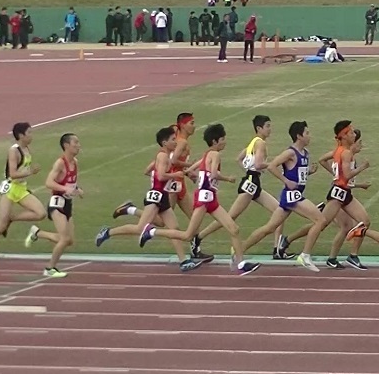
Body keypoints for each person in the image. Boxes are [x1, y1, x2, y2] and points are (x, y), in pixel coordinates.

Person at [144, 124, 260, 275]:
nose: (225, 142)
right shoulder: (215, 154)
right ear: (215, 141)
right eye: (223, 139)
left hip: (211, 199)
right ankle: (152, 232)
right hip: (204, 199)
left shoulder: (207, 154)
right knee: (188, 235)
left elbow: (194, 167)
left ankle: (240, 264)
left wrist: (192, 173)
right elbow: (213, 174)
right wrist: (228, 178)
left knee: (234, 229)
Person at [97, 126, 199, 272]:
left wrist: (177, 174)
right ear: (164, 143)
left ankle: (184, 261)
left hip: (162, 195)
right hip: (156, 195)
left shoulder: (164, 156)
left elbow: (148, 171)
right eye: (172, 139)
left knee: (172, 227)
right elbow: (161, 176)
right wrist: (173, 176)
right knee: (140, 228)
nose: (175, 142)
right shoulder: (162, 156)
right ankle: (107, 232)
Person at [192, 115, 285, 258]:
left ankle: (277, 249)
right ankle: (198, 238)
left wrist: (249, 170)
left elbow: (239, 159)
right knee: (230, 217)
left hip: (253, 182)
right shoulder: (260, 143)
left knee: (279, 211)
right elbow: (258, 164)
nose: (270, 129)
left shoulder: (253, 142)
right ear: (259, 128)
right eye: (267, 126)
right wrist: (275, 163)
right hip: (250, 184)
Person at [294, 121, 373, 272]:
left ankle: (352, 256)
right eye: (351, 133)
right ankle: (305, 254)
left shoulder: (339, 150)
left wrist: (336, 174)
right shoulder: (346, 153)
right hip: (338, 194)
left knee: (365, 221)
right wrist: (362, 167)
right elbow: (347, 175)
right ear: (344, 136)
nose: (354, 135)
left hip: (344, 193)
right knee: (321, 223)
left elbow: (326, 162)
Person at [241, 121, 325, 259]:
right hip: (292, 195)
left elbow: (296, 174)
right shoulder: (290, 152)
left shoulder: (305, 153)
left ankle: (239, 250)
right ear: (299, 136)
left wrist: (309, 172)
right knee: (320, 220)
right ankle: (305, 255)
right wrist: (286, 181)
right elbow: (272, 166)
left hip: (293, 194)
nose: (309, 136)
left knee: (269, 228)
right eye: (307, 133)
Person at [0, 123, 49, 268]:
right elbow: (13, 174)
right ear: (21, 135)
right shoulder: (14, 151)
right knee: (1, 226)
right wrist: (30, 172)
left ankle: (12, 218)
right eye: (29, 133)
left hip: (21, 188)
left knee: (41, 213)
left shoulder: (27, 149)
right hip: (10, 188)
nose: (31, 136)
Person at [25, 133, 84, 278]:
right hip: (57, 203)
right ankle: (50, 268)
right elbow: (48, 182)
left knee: (69, 240)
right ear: (66, 145)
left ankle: (37, 233)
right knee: (64, 239)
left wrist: (77, 189)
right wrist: (65, 189)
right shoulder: (60, 163)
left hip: (68, 203)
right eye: (75, 142)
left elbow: (70, 182)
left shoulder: (75, 162)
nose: (78, 145)